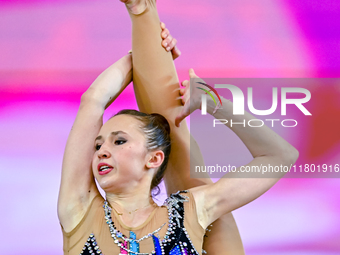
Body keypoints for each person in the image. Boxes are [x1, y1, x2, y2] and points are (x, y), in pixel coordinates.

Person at [58, 1, 299, 255]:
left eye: (118, 141)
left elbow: (281, 156)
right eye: (97, 145)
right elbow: (93, 101)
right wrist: (145, 49)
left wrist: (215, 103)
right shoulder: (79, 210)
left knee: (183, 154)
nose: (101, 152)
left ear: (154, 158)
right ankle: (143, 9)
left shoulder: (192, 211)